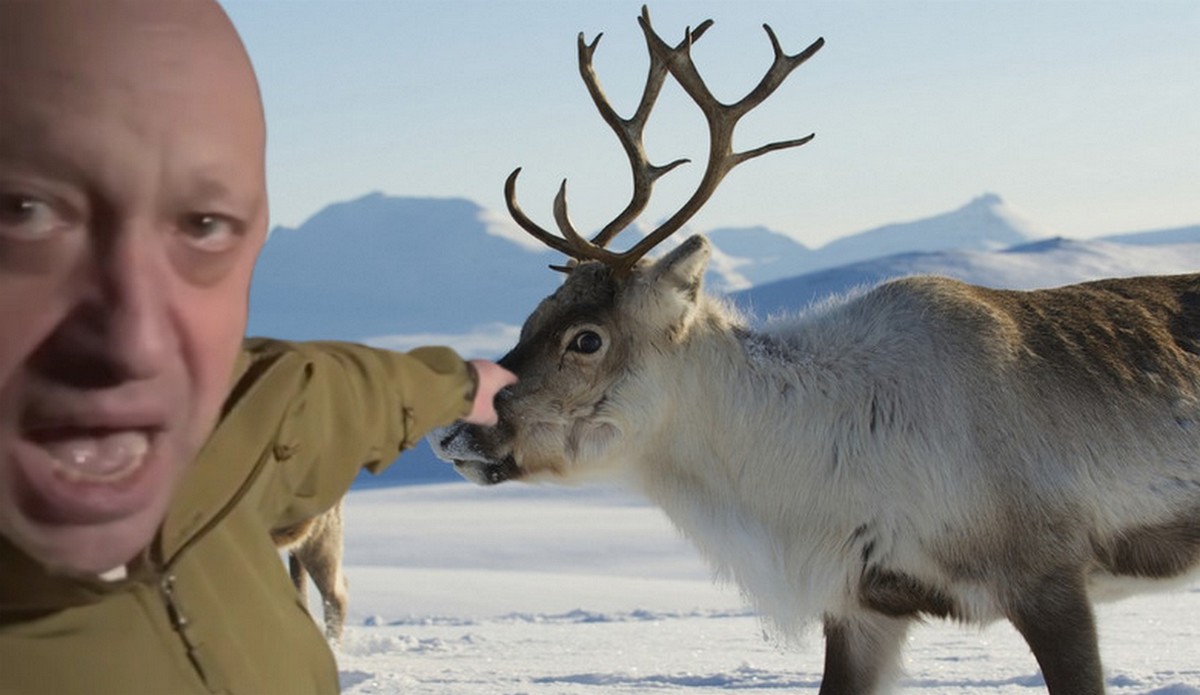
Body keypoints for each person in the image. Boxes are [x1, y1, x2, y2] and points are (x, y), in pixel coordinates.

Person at [0, 1, 516, 692]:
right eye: (24, 211)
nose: (137, 339)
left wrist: (461, 383)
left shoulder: (249, 402)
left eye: (205, 224)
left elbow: (337, 391)